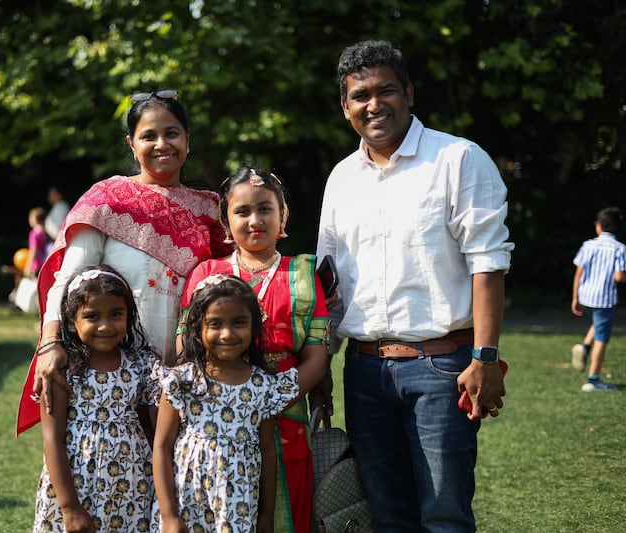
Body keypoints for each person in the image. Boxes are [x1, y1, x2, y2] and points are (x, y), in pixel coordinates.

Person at [316, 40, 514, 531]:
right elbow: (328, 280)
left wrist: (485, 359)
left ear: (409, 92)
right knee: (386, 516)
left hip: (443, 368)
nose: (373, 104)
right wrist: (319, 362)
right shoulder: (342, 177)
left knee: (443, 517)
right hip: (362, 371)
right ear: (345, 107)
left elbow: (488, 265)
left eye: (386, 90)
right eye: (360, 96)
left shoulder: (458, 159)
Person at [16, 90, 232, 435]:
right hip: (115, 378)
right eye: (149, 136)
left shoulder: (211, 211)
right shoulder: (107, 201)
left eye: (172, 133)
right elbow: (67, 280)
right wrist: (50, 343)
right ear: (132, 144)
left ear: (187, 140)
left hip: (192, 377)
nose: (162, 143)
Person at [178, 167, 330, 532]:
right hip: (220, 419)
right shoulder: (207, 274)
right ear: (225, 221)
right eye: (242, 211)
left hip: (287, 411)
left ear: (283, 216)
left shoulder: (303, 274)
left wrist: (269, 397)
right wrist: (233, 399)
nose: (255, 220)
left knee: (288, 514)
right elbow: (187, 347)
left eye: (265, 209)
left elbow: (316, 354)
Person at [153, 273, 298, 533]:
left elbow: (267, 451)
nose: (227, 333)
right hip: (186, 506)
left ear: (254, 326)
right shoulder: (181, 382)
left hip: (237, 508)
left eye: (239, 322)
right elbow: (161, 448)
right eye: (215, 324)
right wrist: (169, 516)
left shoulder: (263, 386)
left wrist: (265, 516)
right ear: (198, 327)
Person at [33, 265, 157, 532]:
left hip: (131, 486)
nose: (105, 325)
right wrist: (69, 507)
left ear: (129, 315)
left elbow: (153, 429)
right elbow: (51, 439)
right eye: (91, 316)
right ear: (71, 320)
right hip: (76, 488)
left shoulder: (142, 365)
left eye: (116, 314)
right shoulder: (62, 370)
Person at [570, 206, 626, 391]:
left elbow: (579, 272)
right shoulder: (619, 248)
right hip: (604, 298)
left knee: (598, 322)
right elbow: (619, 277)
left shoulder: (588, 245)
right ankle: (593, 380)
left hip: (586, 296)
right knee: (602, 337)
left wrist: (574, 297)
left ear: (599, 226)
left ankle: (585, 347)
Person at [23, 207, 49, 279]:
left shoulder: (34, 233)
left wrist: (28, 267)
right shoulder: (46, 232)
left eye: (30, 218)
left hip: (37, 266)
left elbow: (33, 250)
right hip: (46, 264)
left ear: (35, 220)